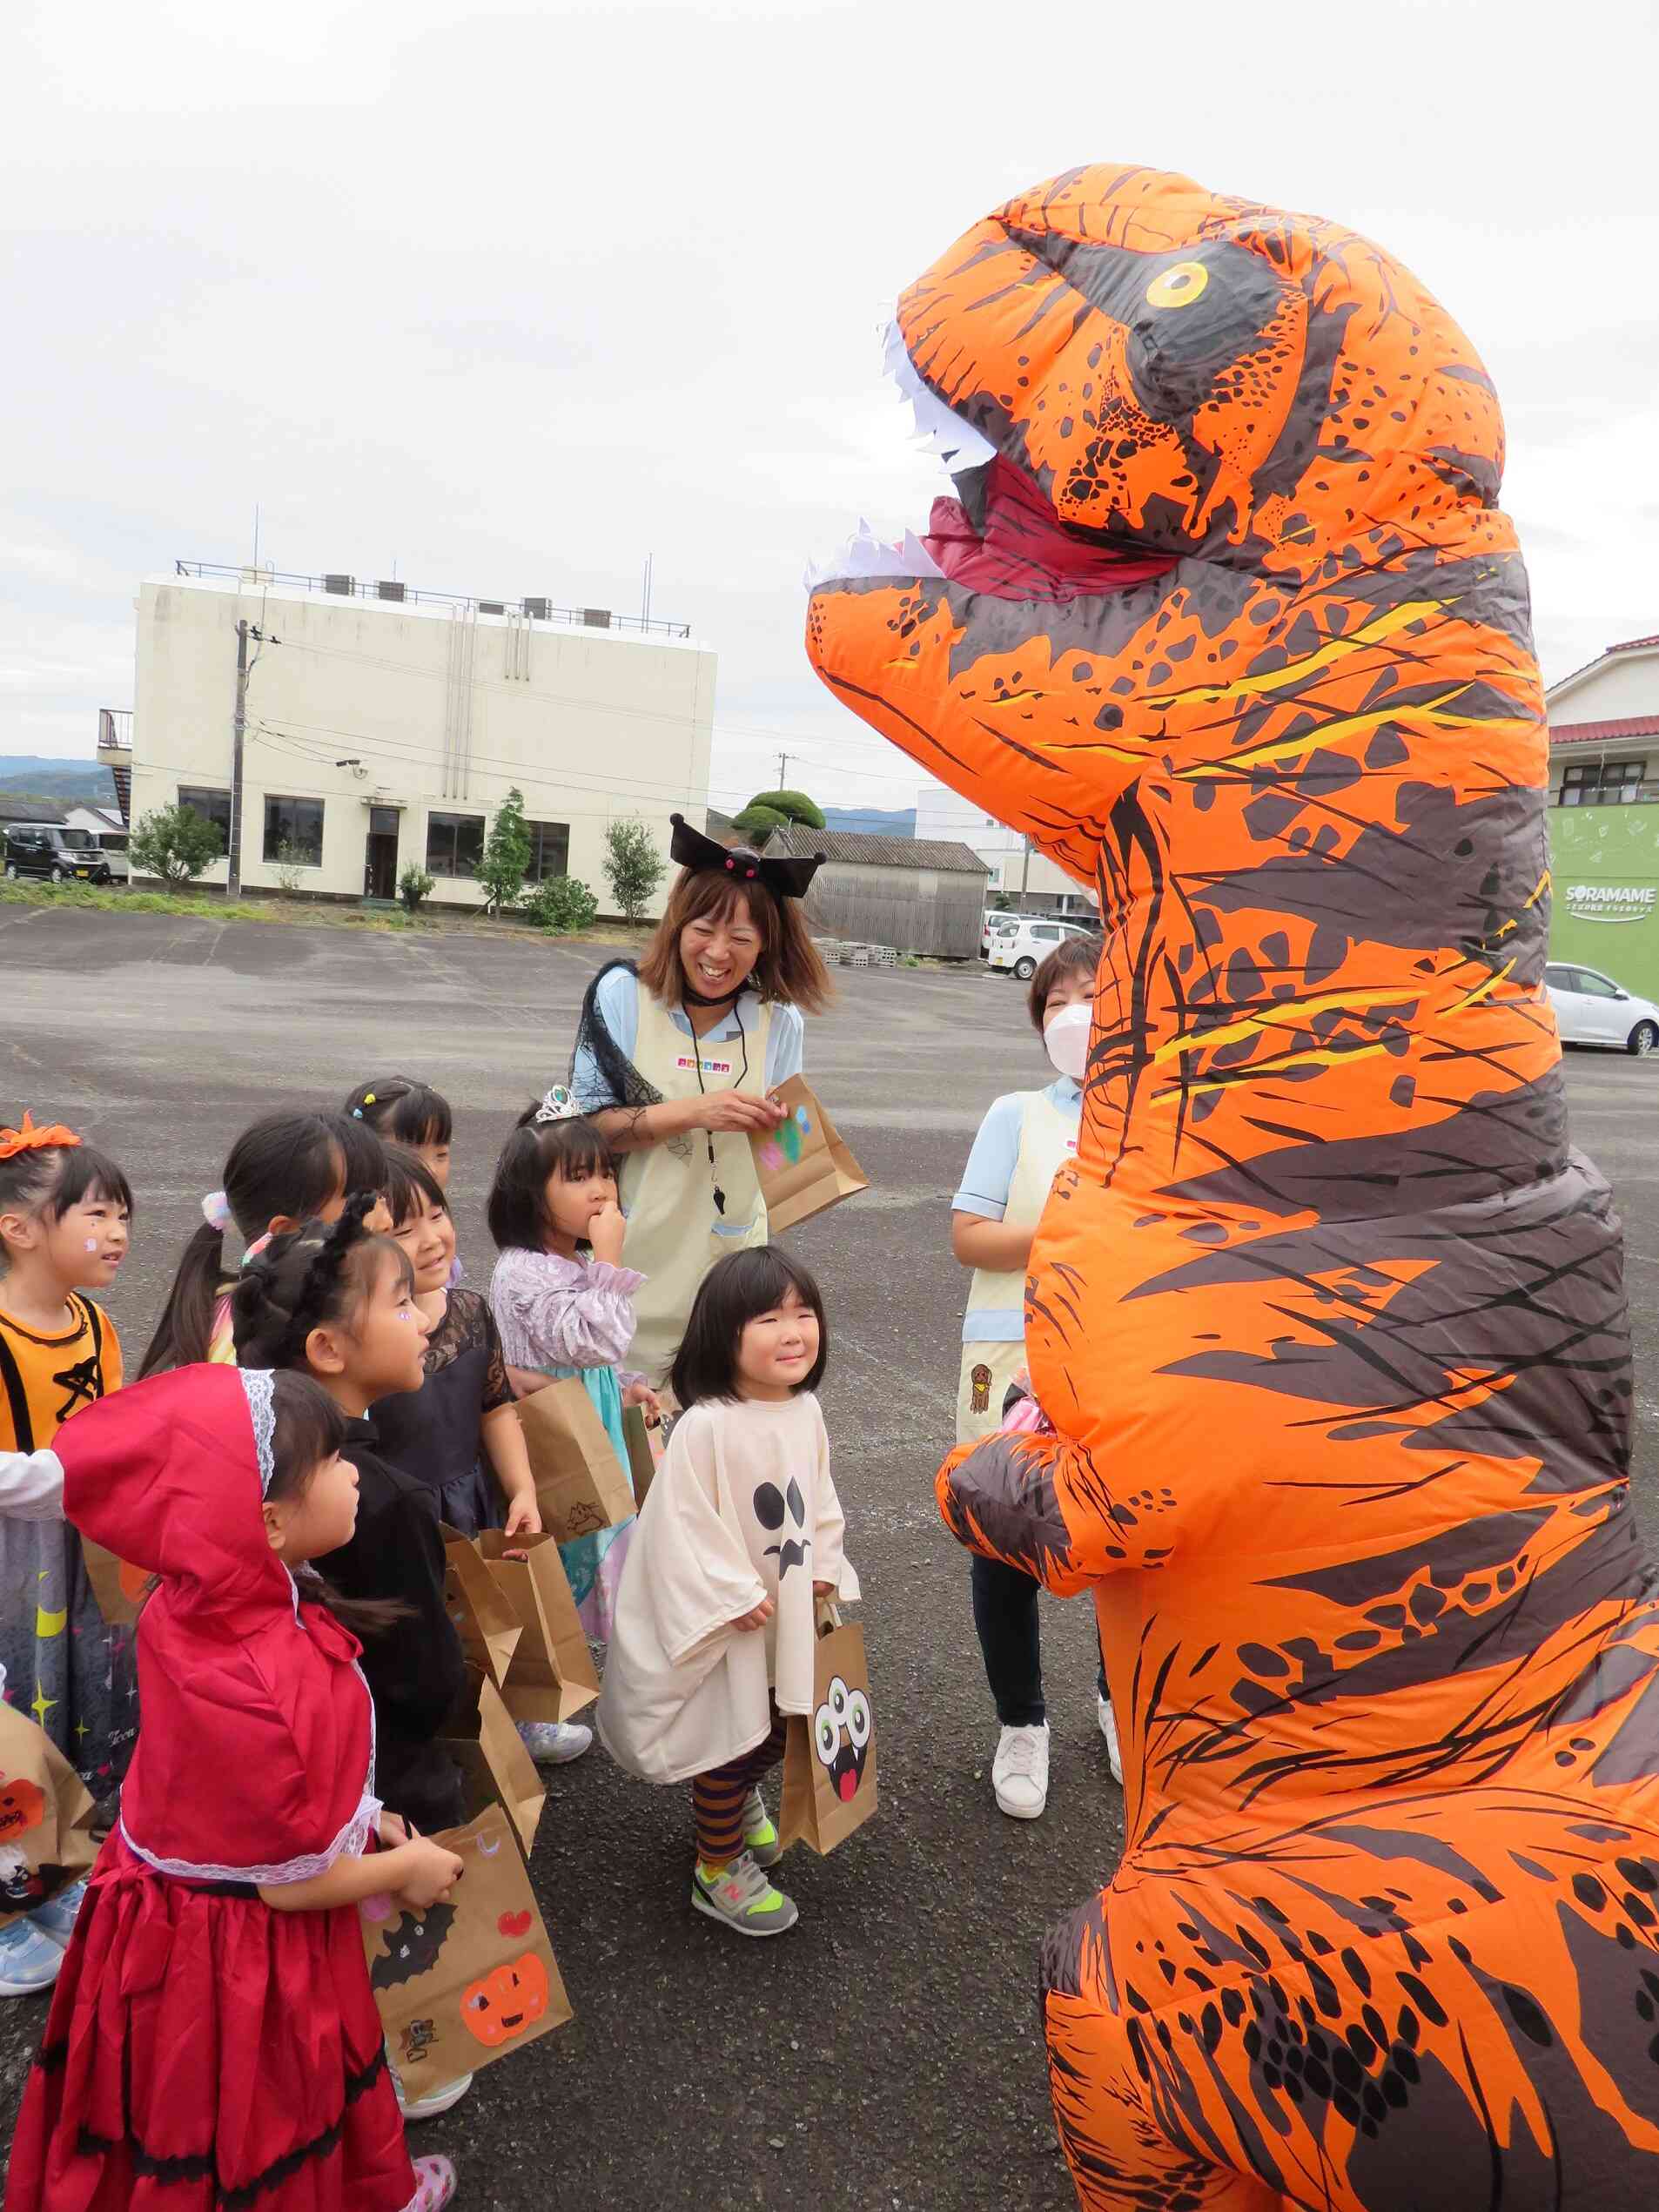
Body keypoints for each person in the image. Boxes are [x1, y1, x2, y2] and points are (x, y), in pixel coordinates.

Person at [7, 1361, 462, 2212]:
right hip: (233, 1948)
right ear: (266, 1519)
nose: (355, 1469)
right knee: (258, 2103)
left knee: (169, 2108)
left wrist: (362, 1817)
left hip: (157, 1909)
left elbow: (254, 1799)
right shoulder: (266, 1674)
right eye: (331, 1460)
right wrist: (405, 1870)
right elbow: (293, 1888)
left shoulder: (198, 1600)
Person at [231, 1197, 474, 2125]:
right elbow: (425, 1672)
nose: (426, 1317)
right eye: (403, 1303)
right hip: (387, 1762)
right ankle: (408, 2059)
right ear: (330, 1351)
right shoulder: (383, 1497)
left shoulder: (247, 1461)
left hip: (284, 1762)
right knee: (396, 1917)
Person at [597, 1248, 856, 1940]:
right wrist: (731, 1590)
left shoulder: (805, 1410)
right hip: (734, 1617)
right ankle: (718, 1865)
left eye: (804, 1313)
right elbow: (682, 1522)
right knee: (728, 1738)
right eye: (768, 1317)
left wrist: (826, 1560)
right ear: (724, 1333)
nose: (793, 1330)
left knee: (781, 1720)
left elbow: (821, 1497)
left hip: (787, 1607)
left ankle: (735, 1804)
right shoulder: (707, 1424)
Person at [950, 937, 1120, 1819]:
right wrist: (1066, 1228)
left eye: (1095, 995)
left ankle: (1117, 1701)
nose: (1077, 1013)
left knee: (1128, 1547)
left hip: (1127, 1366)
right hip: (1011, 1361)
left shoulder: (1166, 1118)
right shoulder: (1016, 1114)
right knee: (1005, 1537)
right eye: (1057, 1002)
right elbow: (969, 1235)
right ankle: (1022, 1723)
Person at [568, 812, 831, 1382]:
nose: (718, 952)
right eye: (703, 930)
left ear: (764, 945)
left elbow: (785, 1160)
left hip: (729, 1267)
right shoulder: (622, 995)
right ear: (677, 924)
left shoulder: (779, 1020)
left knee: (716, 1436)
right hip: (628, 1257)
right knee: (627, 1445)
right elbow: (584, 1127)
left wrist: (790, 1133)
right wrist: (696, 1112)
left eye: (741, 938)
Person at [0, 1113, 134, 1996]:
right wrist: (67, 1476)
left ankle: (54, 1874)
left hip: (77, 1562)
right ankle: (8, 1912)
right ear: (18, 1230)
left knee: (75, 1711)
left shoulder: (92, 1322)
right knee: (7, 1728)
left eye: (122, 1215)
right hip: (11, 1565)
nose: (117, 1233)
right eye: (93, 1215)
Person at [487, 1092, 659, 1652]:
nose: (602, 1190)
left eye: (606, 1174)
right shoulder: (523, 1272)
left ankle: (583, 1677)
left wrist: (628, 1383)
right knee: (552, 1557)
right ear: (533, 1199)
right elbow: (591, 1337)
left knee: (596, 1542)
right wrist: (609, 1261)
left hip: (589, 1426)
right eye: (580, 1177)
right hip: (551, 1442)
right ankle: (533, 1700)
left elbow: (604, 1354)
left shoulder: (571, 1260)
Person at [138, 1108, 389, 1374]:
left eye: (381, 1197)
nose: (387, 1221)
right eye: (360, 1204)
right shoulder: (264, 1351)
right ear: (287, 1233)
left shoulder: (290, 1315)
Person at [369, 1153, 540, 1539]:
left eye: (436, 1215)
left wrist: (522, 1489)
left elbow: (495, 1410)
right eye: (403, 1232)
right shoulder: (366, 1337)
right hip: (395, 1521)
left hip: (471, 1506)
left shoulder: (471, 1313)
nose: (431, 1240)